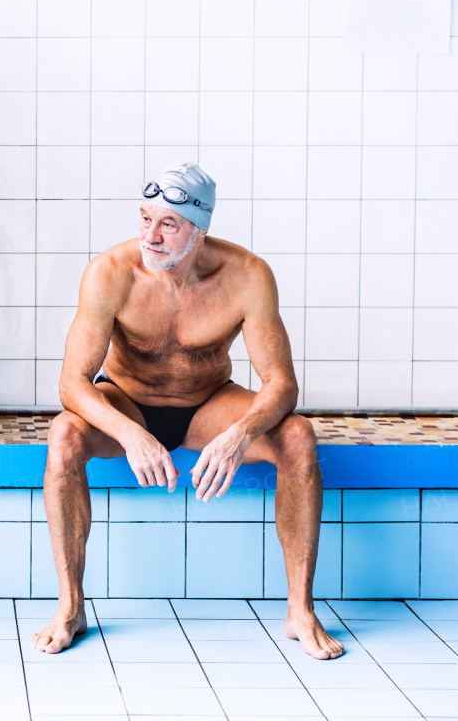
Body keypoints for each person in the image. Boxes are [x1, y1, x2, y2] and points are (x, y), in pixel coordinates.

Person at [30, 162, 344, 661]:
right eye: (144, 218)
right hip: (127, 401)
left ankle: (299, 610)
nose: (149, 236)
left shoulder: (246, 276)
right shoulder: (110, 274)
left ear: (199, 230)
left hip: (208, 406)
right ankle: (70, 606)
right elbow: (72, 383)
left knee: (298, 436)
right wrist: (131, 435)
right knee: (64, 435)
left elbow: (282, 384)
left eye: (168, 224)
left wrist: (240, 434)